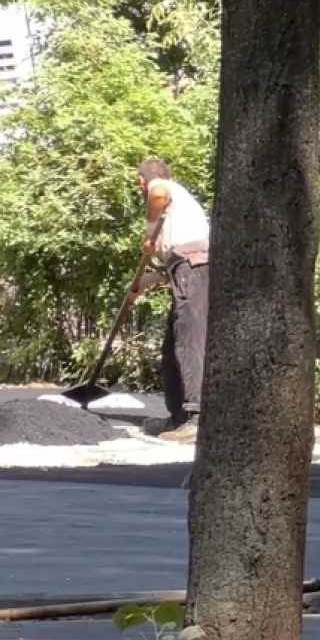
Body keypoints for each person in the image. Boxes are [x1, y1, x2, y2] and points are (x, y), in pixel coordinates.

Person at [134, 158, 210, 441]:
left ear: (142, 180)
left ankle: (197, 417)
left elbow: (156, 193)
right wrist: (143, 283)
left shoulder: (160, 188)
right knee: (172, 346)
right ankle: (177, 416)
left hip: (193, 266)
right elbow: (172, 265)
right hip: (183, 268)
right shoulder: (179, 209)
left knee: (189, 340)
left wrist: (150, 232)